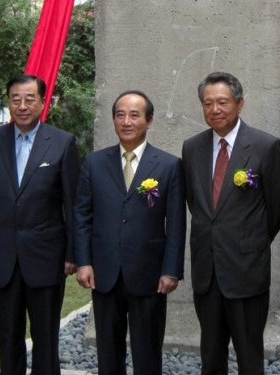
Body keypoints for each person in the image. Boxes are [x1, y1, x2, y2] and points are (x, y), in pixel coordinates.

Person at [0, 73, 80, 375]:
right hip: (2, 255)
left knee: (45, 338)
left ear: (43, 102)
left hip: (46, 257)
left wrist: (74, 253)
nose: (22, 105)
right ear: (8, 102)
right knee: (8, 336)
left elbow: (72, 205)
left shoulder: (61, 143)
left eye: (29, 98)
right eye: (15, 99)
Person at [182, 71, 280, 375]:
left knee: (249, 355)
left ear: (239, 103)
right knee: (210, 356)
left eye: (222, 102)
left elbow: (278, 206)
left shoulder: (265, 146)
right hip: (207, 270)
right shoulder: (192, 148)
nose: (215, 109)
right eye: (207, 103)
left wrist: (248, 239)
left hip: (246, 269)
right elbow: (196, 203)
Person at [74, 90, 186, 375]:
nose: (126, 121)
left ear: (149, 120)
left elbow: (175, 224)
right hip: (105, 272)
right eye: (120, 115)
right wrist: (84, 262)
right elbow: (82, 216)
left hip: (149, 274)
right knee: (108, 355)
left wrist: (171, 269)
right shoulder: (95, 163)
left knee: (147, 352)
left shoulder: (169, 165)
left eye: (134, 115)